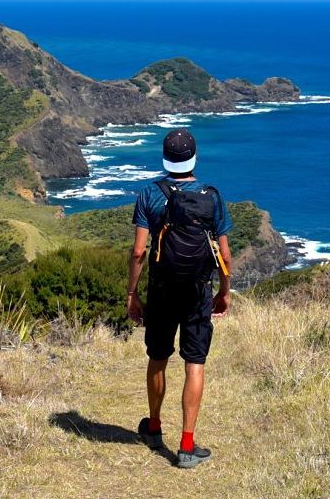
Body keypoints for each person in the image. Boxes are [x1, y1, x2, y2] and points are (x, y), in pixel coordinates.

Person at [127, 128, 233, 469]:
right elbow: (226, 256)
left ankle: (154, 427)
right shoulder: (211, 197)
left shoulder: (149, 194)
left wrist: (132, 294)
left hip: (160, 291)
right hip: (197, 291)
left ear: (165, 158)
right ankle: (186, 445)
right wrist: (224, 292)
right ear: (194, 157)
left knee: (158, 357)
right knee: (194, 363)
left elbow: (139, 251)